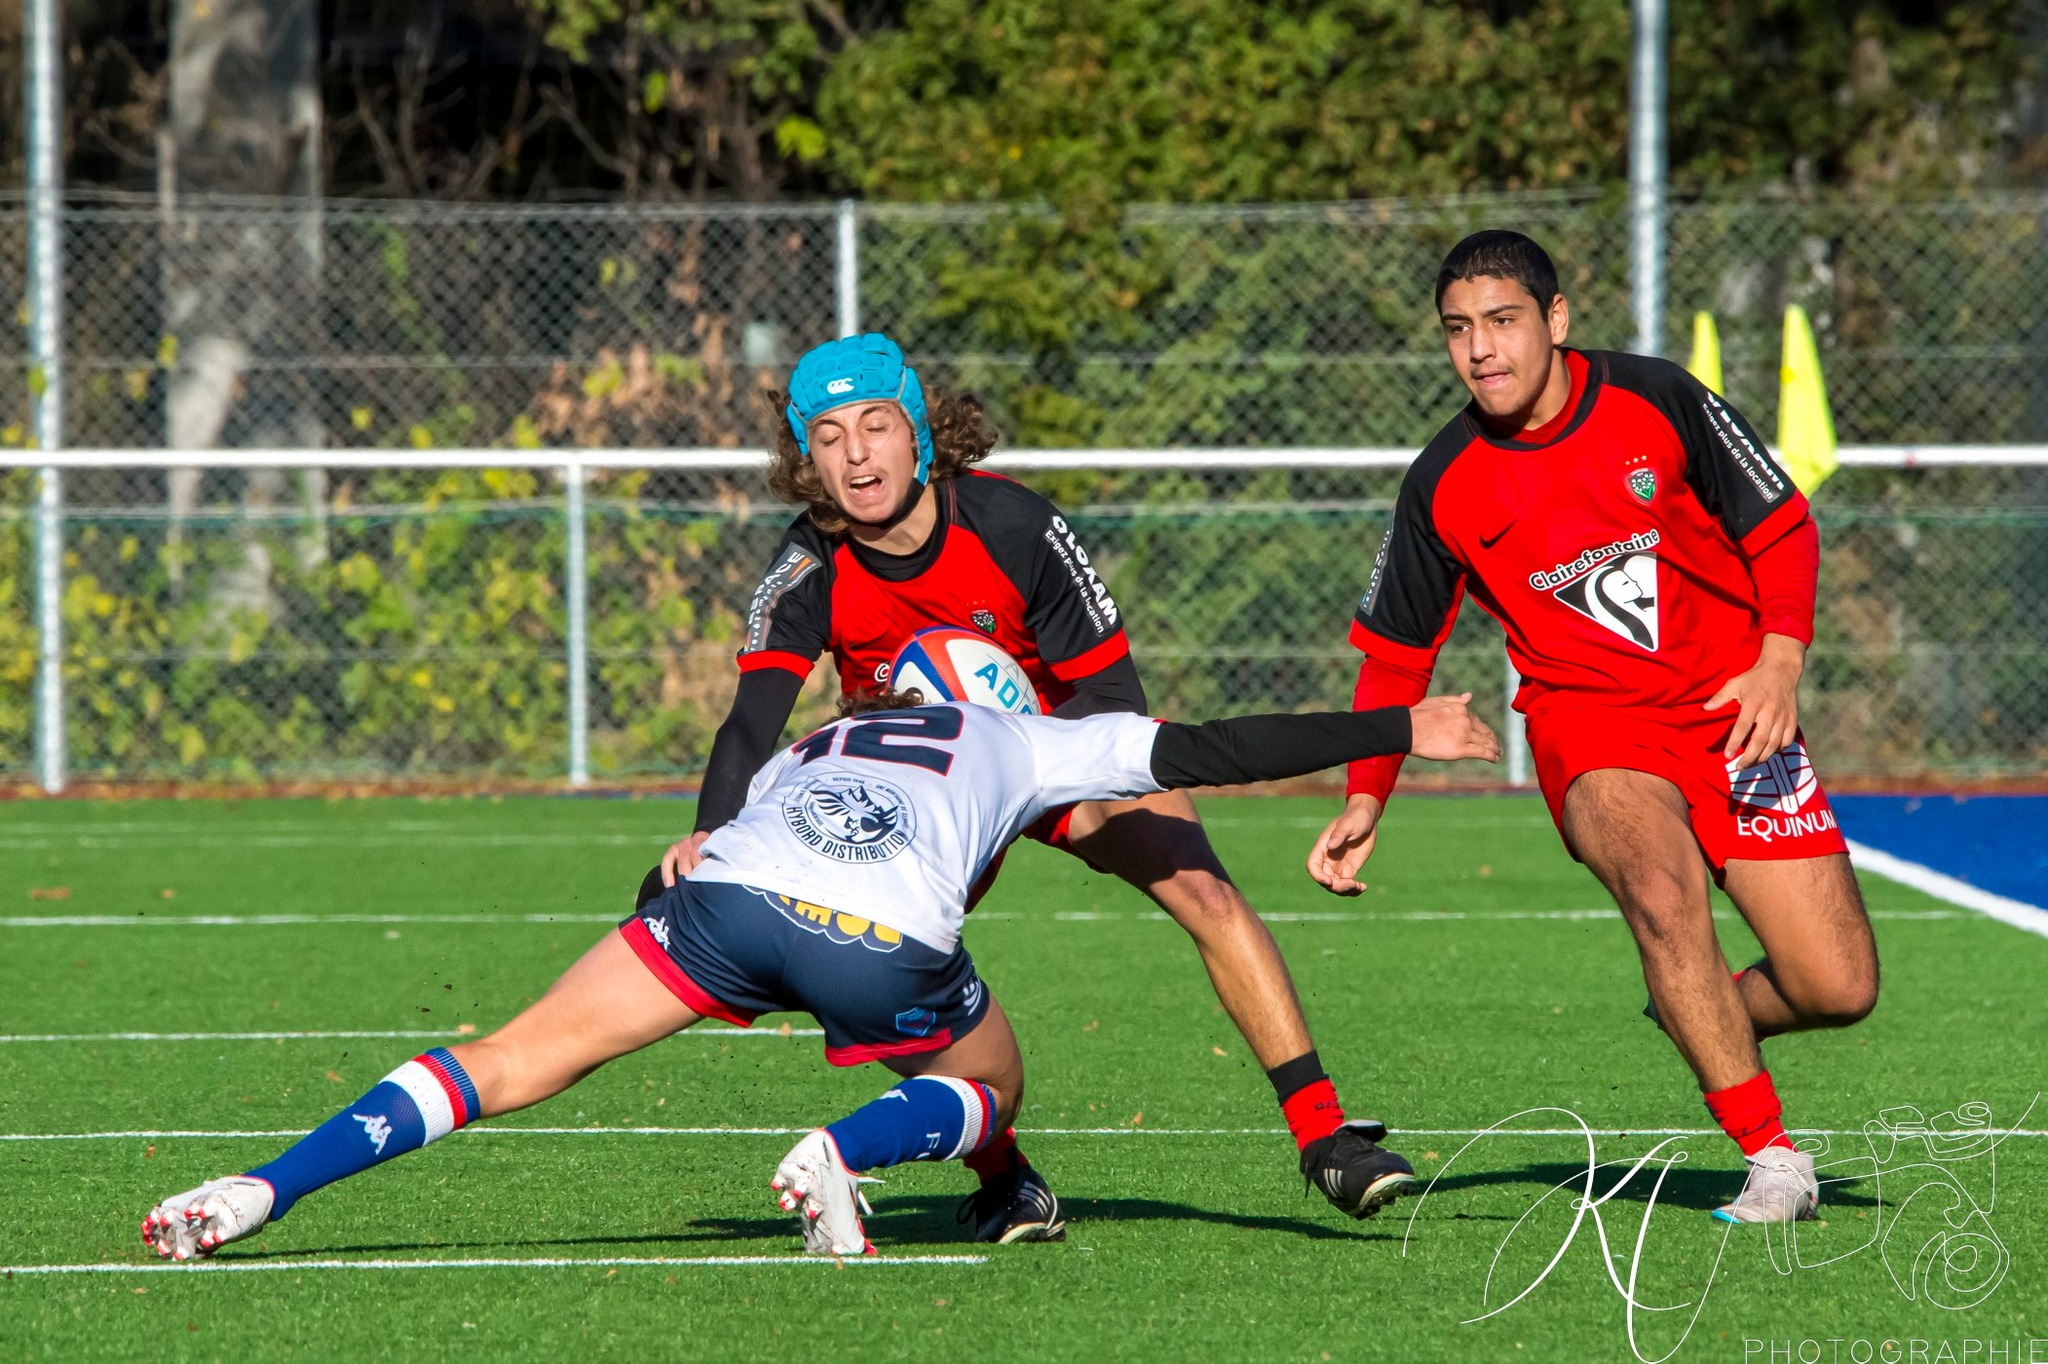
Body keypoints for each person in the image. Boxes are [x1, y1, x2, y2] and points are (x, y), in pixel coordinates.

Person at [141, 684, 1502, 1262]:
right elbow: (1211, 747)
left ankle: (265, 1184)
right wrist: (1404, 726)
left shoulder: (822, 734)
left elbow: (701, 839)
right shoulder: (1024, 739)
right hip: (874, 935)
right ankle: (844, 1155)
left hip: (730, 901)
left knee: (508, 1058)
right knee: (989, 1081)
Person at [664, 330, 1395, 1215]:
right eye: (829, 436)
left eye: (876, 424)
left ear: (919, 430)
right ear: (807, 459)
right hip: (920, 788)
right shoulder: (811, 557)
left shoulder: (1017, 526)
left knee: (1204, 889)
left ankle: (1322, 1134)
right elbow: (752, 718)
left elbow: (1112, 701)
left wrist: (1030, 770)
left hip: (1057, 748)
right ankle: (1003, 1179)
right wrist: (710, 829)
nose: (856, 454)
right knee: (878, 956)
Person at [1306, 230, 1880, 1225]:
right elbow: (1393, 658)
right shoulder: (1440, 478)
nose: (1479, 348)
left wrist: (1778, 659)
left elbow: (1780, 526)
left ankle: (1690, 1002)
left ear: (1554, 320)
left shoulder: (1656, 398)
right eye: (1457, 330)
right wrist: (1365, 795)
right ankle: (1771, 1154)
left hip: (1734, 708)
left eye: (1500, 321)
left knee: (1835, 985)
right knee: (1660, 895)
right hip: (1591, 725)